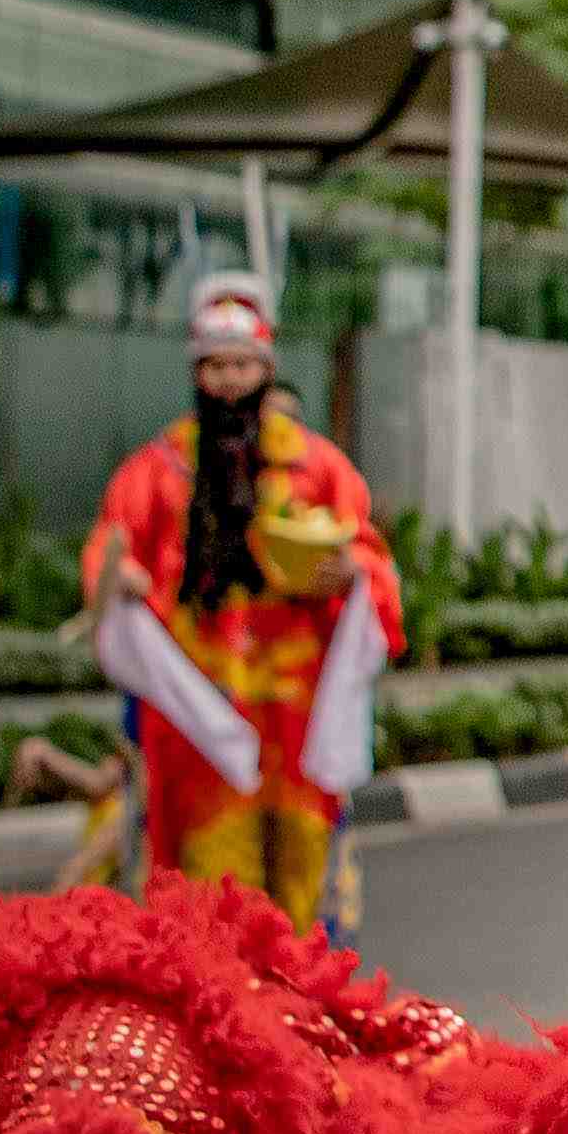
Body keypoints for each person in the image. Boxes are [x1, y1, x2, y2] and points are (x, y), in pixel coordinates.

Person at [78, 273, 403, 933]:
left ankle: (303, 1020)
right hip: (202, 722)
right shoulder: (156, 471)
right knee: (213, 902)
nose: (230, 380)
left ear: (267, 369)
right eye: (217, 365)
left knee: (302, 895)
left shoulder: (318, 468)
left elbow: (374, 561)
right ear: (197, 371)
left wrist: (350, 572)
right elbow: (108, 551)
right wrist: (121, 579)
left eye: (243, 364)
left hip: (297, 721)